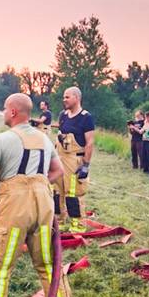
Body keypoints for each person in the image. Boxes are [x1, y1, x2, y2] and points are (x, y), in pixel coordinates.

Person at [0, 93, 74, 297]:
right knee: (48, 263)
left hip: (15, 208)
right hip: (43, 206)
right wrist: (38, 184)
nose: (2, 112)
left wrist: (2, 181)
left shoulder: (3, 139)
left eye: (4, 108)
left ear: (13, 112)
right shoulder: (44, 139)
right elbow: (57, 171)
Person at [54, 87, 95, 233]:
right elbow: (60, 134)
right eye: (64, 97)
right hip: (60, 158)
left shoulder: (86, 117)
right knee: (57, 191)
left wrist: (86, 165)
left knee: (73, 193)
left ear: (76, 98)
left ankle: (77, 225)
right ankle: (60, 220)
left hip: (75, 161)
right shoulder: (63, 115)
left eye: (67, 97)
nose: (64, 100)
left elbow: (90, 143)